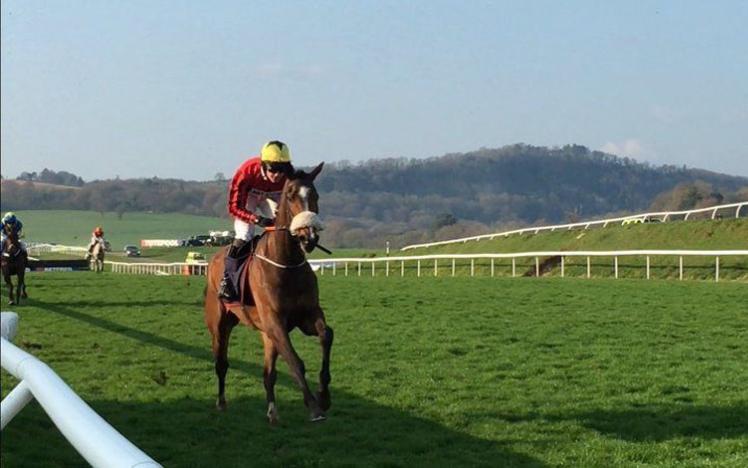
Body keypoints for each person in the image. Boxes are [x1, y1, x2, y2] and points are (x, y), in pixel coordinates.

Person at [218, 140, 294, 300]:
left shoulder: (288, 177)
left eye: (282, 170)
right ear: (263, 165)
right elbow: (234, 208)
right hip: (250, 196)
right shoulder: (246, 172)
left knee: (285, 227)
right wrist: (256, 219)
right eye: (273, 170)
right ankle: (227, 280)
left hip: (273, 195)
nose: (278, 175)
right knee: (245, 234)